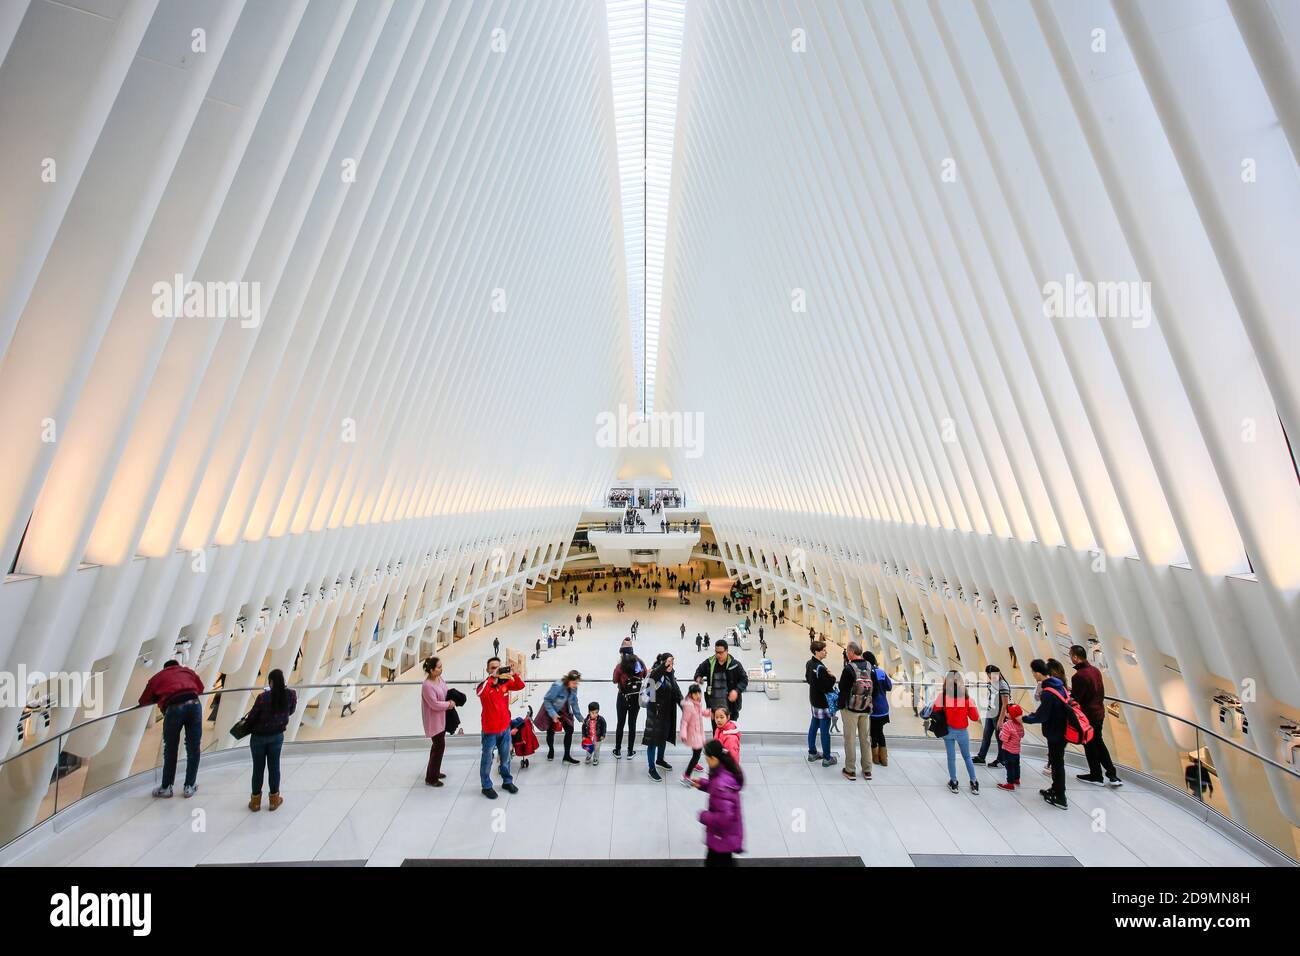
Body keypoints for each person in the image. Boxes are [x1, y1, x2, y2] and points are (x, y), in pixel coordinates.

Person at [139, 659, 205, 798]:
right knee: (193, 747)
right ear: (177, 665)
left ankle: (167, 787)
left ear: (165, 668)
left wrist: (160, 698)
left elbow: (143, 701)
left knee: (171, 748)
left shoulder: (158, 677)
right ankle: (189, 786)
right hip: (194, 705)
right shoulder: (187, 671)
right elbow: (200, 688)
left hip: (174, 708)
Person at [244, 669, 297, 810]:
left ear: (271, 682)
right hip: (277, 736)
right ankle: (274, 799)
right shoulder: (291, 695)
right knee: (274, 767)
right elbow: (291, 711)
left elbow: (252, 718)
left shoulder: (263, 697)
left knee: (258, 769)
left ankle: (255, 802)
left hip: (259, 738)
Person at [1069, 645, 1122, 787]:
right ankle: (1111, 774)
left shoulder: (1078, 676)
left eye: (1071, 655)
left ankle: (1097, 775)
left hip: (1088, 716)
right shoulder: (1095, 671)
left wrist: (1069, 697)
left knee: (1091, 745)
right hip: (1099, 713)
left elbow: (1076, 699)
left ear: (1075, 657)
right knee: (1098, 743)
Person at [1022, 659, 1069, 809]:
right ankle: (1056, 789)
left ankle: (1061, 797)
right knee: (1056, 762)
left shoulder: (1048, 693)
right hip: (1060, 730)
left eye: (1033, 673)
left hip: (1056, 732)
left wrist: (1024, 718)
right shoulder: (1058, 685)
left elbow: (1042, 716)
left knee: (1057, 763)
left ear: (1037, 673)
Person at [692, 739, 745, 866]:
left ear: (714, 759)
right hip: (725, 837)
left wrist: (704, 816)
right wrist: (703, 784)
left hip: (721, 838)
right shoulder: (724, 771)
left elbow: (724, 818)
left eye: (707, 758)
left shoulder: (720, 783)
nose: (706, 760)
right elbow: (719, 790)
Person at [477, 658, 524, 799]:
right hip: (490, 730)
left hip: (505, 728)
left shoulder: (505, 683)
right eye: (492, 668)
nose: (496, 670)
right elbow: (480, 693)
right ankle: (486, 786)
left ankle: (507, 781)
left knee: (505, 758)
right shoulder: (485, 685)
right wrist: (492, 677)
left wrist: (514, 674)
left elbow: (520, 686)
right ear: (487, 670)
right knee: (487, 758)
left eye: (498, 667)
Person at [928, 670, 981, 794]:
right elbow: (975, 717)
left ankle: (954, 782)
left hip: (948, 731)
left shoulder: (943, 696)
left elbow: (935, 709)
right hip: (962, 732)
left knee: (951, 758)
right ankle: (974, 782)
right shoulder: (967, 699)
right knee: (967, 757)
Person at [642, 653, 683, 780]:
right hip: (655, 713)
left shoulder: (670, 675)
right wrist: (663, 666)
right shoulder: (655, 674)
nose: (671, 665)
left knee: (663, 737)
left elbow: (676, 692)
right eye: (668, 663)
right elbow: (651, 686)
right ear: (663, 663)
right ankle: (651, 768)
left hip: (666, 713)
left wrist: (685, 707)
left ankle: (660, 760)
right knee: (653, 741)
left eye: (672, 663)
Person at [837, 642, 873, 780]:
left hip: (851, 709)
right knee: (865, 739)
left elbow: (842, 687)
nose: (846, 653)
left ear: (852, 652)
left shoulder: (849, 668)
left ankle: (850, 770)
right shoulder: (870, 667)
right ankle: (867, 770)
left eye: (847, 651)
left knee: (850, 739)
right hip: (866, 707)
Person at [694, 640, 748, 725]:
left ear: (726, 651)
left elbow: (744, 680)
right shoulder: (709, 663)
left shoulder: (735, 665)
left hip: (730, 707)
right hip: (715, 708)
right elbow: (699, 671)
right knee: (717, 733)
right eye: (716, 652)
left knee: (729, 733)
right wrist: (698, 677)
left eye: (720, 652)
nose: (718, 655)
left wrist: (736, 691)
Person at [420, 657, 454, 787]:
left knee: (437, 747)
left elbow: (445, 691)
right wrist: (448, 704)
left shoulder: (439, 679)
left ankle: (433, 771)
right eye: (439, 667)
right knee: (439, 747)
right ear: (431, 670)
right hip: (434, 721)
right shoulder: (427, 686)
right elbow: (434, 704)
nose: (441, 669)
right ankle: (431, 778)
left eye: (441, 666)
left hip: (442, 719)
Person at [804, 641, 838, 768]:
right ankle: (827, 758)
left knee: (814, 726)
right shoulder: (821, 668)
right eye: (824, 650)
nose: (826, 652)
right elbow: (828, 685)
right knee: (824, 731)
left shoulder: (809, 663)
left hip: (813, 700)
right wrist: (833, 677)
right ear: (817, 652)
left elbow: (808, 679)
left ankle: (812, 753)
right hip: (823, 703)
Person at [541, 669, 583, 763]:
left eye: (577, 683)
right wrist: (553, 714)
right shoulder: (558, 686)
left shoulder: (573, 687)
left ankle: (567, 756)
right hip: (553, 709)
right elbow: (547, 700)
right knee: (551, 732)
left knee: (569, 730)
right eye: (574, 683)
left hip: (564, 711)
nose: (575, 685)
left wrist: (580, 717)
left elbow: (574, 702)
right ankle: (551, 750)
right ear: (568, 680)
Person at [974, 664, 1011, 768]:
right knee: (986, 735)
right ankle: (981, 757)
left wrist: (1000, 720)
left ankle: (1001, 760)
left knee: (1000, 738)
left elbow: (1005, 704)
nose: (991, 677)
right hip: (991, 713)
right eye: (989, 675)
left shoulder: (1002, 685)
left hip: (999, 715)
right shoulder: (993, 682)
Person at [612, 645, 645, 759]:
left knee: (620, 724)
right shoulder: (639, 663)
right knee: (632, 724)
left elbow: (615, 680)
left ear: (622, 654)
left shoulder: (620, 666)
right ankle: (630, 751)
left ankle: (617, 750)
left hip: (623, 697)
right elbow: (645, 675)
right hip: (635, 698)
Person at [862, 651, 892, 765]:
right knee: (880, 732)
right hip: (884, 708)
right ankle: (884, 758)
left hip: (873, 708)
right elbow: (889, 687)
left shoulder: (867, 673)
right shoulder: (881, 672)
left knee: (874, 733)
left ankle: (875, 757)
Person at [678, 683, 710, 785]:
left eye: (699, 693)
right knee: (697, 754)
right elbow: (684, 721)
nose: (698, 695)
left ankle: (694, 764)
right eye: (695, 694)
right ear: (691, 694)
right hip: (693, 734)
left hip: (698, 732)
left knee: (696, 752)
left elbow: (699, 713)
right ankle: (686, 776)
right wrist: (683, 734)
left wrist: (708, 713)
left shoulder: (697, 703)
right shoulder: (689, 705)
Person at [996, 704, 1025, 791]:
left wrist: (1001, 732)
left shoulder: (1007, 725)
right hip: (1016, 750)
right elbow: (1022, 735)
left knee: (1009, 767)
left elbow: (1004, 738)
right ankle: (1017, 779)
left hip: (1008, 751)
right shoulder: (1020, 725)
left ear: (1009, 714)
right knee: (1016, 765)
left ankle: (1010, 783)